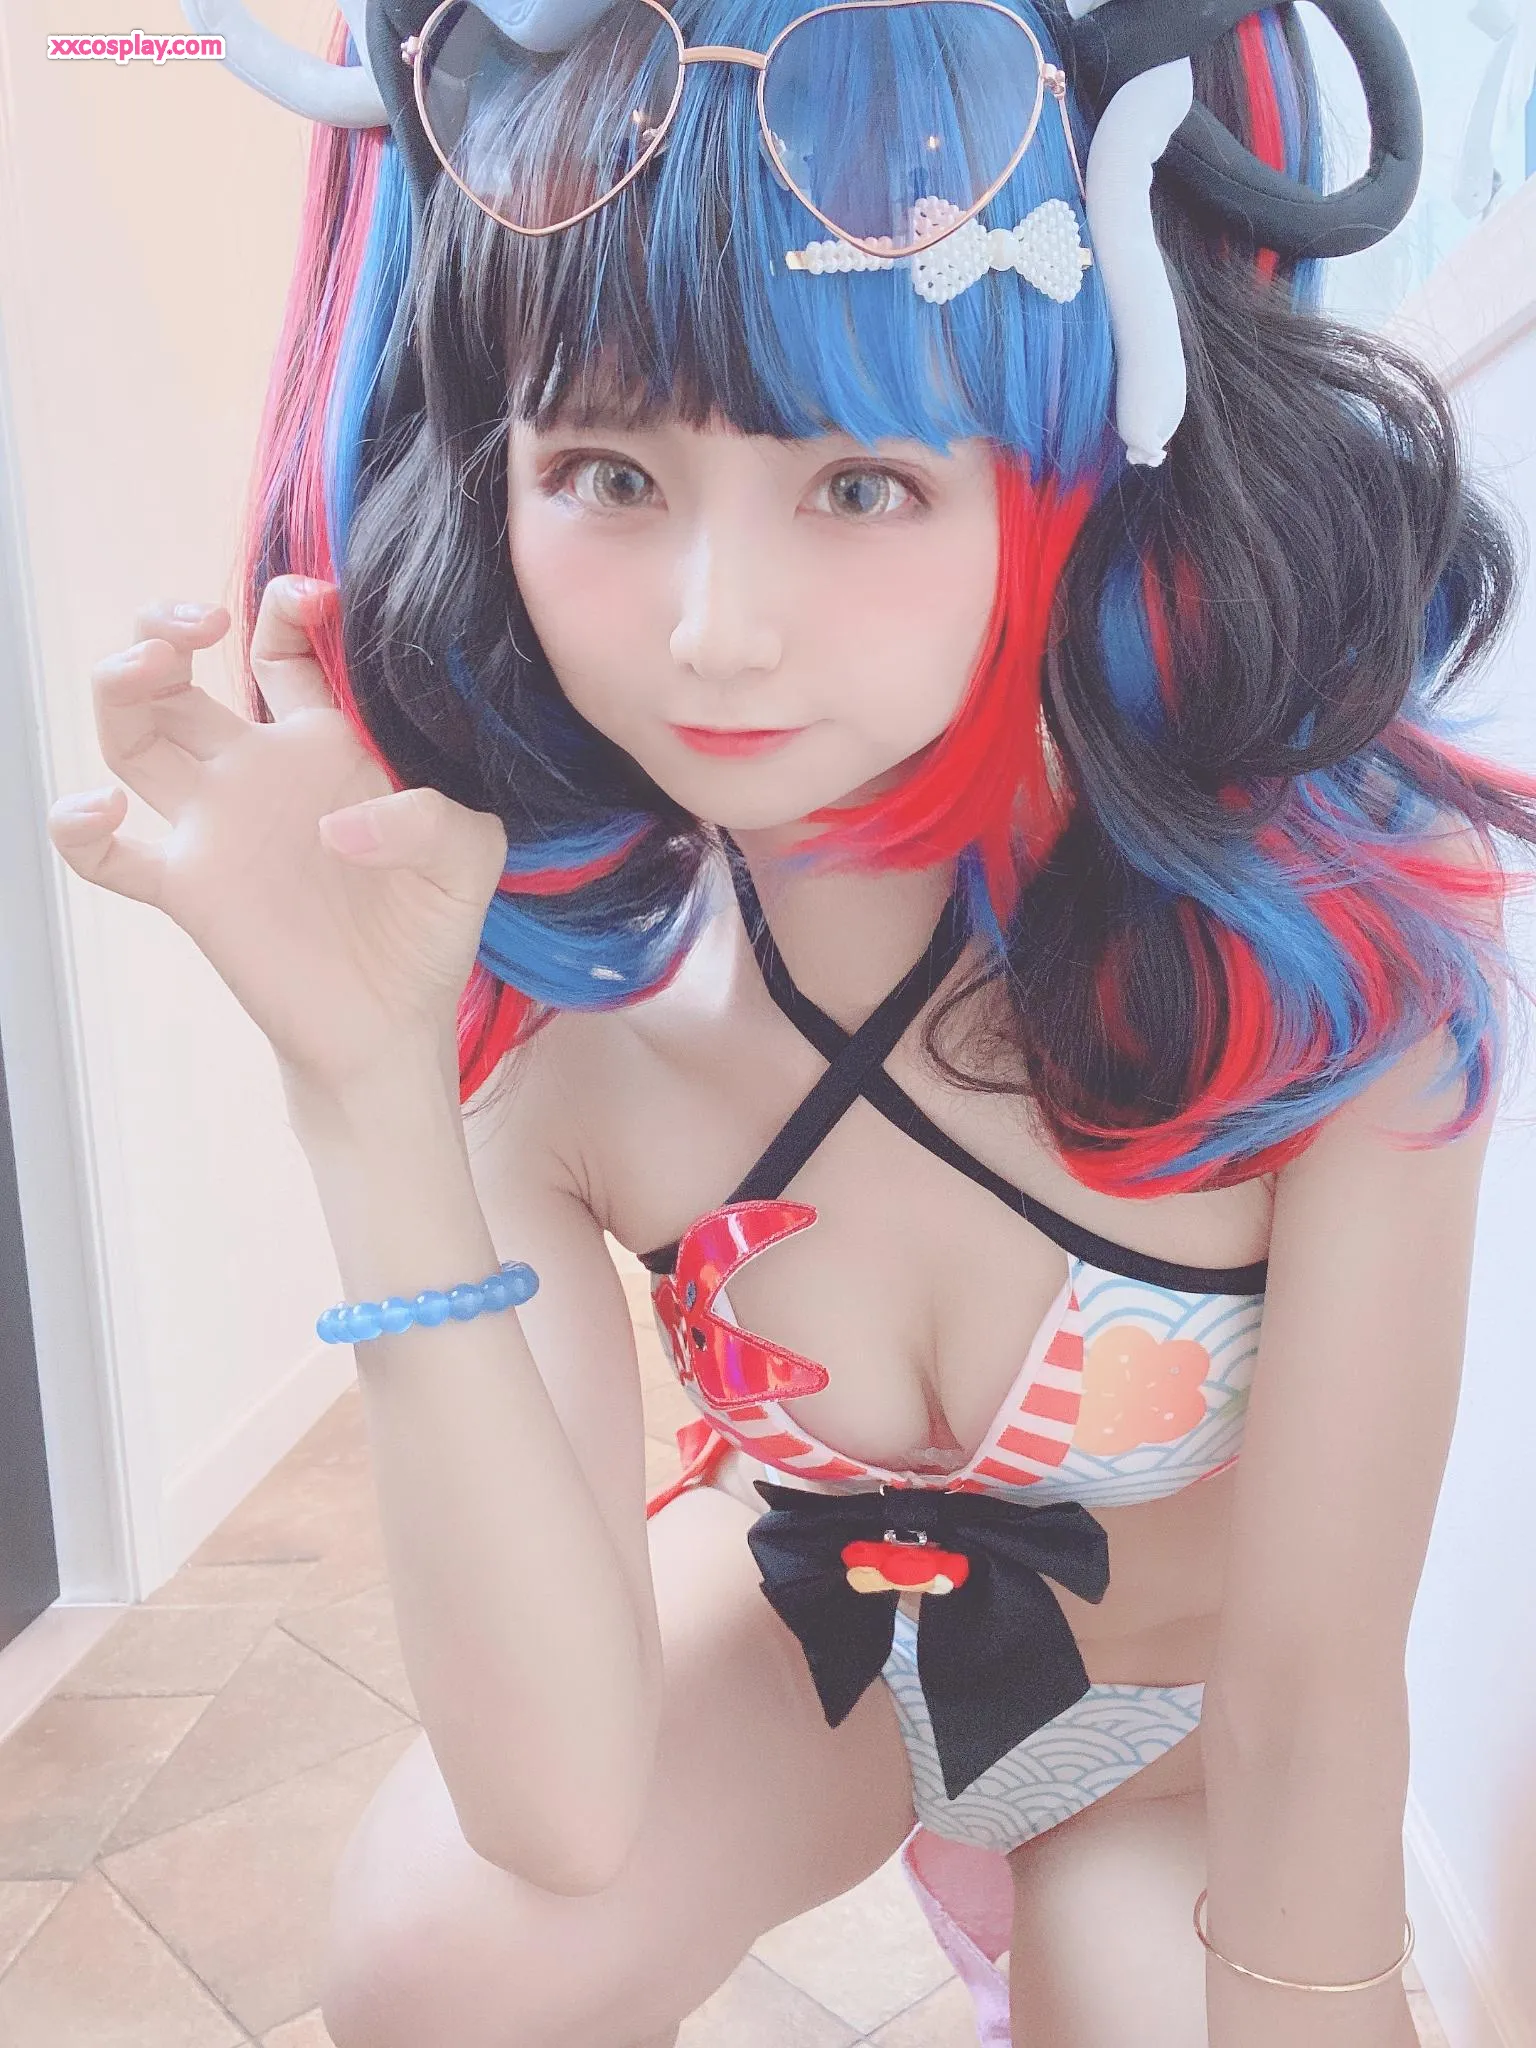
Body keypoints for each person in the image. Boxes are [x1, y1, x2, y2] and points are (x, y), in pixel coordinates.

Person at [46, 1, 1536, 2044]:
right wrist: (360, 1084)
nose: (712, 630)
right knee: (441, 1963)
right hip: (804, 1660)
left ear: (1070, 464)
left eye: (858, 482)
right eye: (606, 470)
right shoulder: (570, 989)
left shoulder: (1320, 959)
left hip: (1185, 1737)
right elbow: (557, 1814)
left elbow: (1318, 1685)